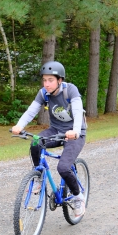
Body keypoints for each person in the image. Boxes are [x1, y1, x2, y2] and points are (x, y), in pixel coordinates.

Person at [11, 61, 87, 216]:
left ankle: (78, 197)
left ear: (60, 80)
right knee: (36, 142)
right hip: (56, 130)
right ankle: (38, 177)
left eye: (50, 80)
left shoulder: (70, 90)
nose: (46, 84)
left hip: (75, 134)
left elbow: (78, 111)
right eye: (44, 80)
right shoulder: (43, 93)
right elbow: (31, 111)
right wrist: (19, 126)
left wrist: (76, 131)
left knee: (63, 168)